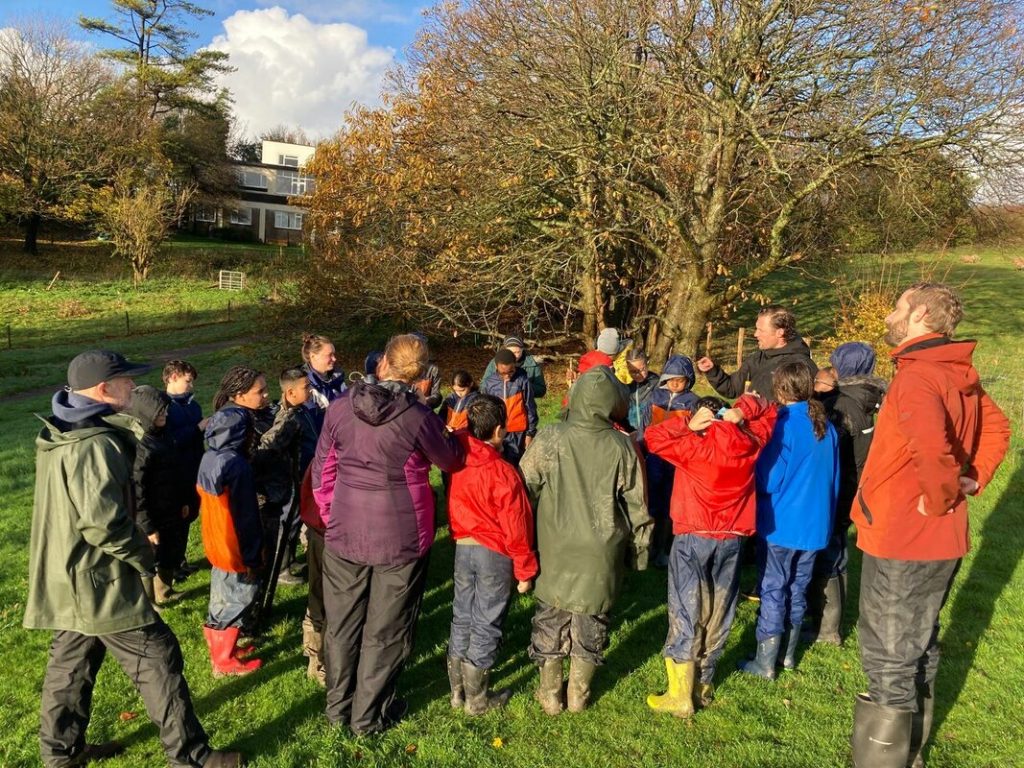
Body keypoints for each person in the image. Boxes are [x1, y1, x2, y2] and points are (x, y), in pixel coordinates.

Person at [24, 350, 241, 768]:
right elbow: (101, 523)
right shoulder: (92, 444)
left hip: (68, 573)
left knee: (69, 667)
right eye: (127, 381)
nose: (136, 388)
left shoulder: (64, 429)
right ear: (104, 389)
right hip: (98, 579)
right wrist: (144, 552)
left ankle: (60, 755)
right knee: (158, 658)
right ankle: (191, 756)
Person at [850, 283, 1010, 768]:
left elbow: (931, 446)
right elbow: (999, 427)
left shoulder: (920, 376)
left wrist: (942, 494)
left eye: (899, 306)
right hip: (936, 538)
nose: (891, 315)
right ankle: (910, 755)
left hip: (906, 535)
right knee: (918, 644)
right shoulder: (955, 369)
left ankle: (882, 762)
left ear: (920, 314)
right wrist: (974, 477)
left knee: (888, 653)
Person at [313, 334, 465, 735]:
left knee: (343, 623)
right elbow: (449, 460)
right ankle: (367, 716)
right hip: (400, 534)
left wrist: (333, 515)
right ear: (422, 374)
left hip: (347, 526)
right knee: (387, 629)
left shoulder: (341, 407)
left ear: (383, 364)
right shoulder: (419, 417)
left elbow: (321, 471)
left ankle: (339, 708)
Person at [520, 366, 651, 715]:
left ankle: (550, 694)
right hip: (601, 551)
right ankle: (578, 694)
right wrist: (639, 555)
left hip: (555, 547)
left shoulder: (550, 438)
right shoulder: (623, 446)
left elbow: (523, 490)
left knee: (550, 616)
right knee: (592, 620)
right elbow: (638, 506)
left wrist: (520, 544)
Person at [644, 393, 777, 716]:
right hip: (732, 537)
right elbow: (770, 410)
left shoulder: (693, 446)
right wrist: (742, 411)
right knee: (720, 608)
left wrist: (687, 425)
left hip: (694, 535)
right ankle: (704, 682)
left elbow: (652, 437)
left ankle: (680, 693)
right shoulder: (749, 442)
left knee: (685, 608)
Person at [740, 362, 838, 680]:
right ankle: (788, 656)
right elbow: (834, 480)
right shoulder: (826, 426)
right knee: (797, 589)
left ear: (781, 390)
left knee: (773, 589)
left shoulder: (783, 427)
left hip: (782, 523)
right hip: (815, 524)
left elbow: (769, 479)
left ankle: (765, 661)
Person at [446, 394, 538, 715]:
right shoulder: (503, 473)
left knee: (463, 615)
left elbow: (458, 431)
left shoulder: (459, 455)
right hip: (493, 553)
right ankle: (478, 699)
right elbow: (517, 527)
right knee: (486, 621)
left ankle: (457, 691)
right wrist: (525, 571)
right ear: (499, 431)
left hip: (463, 547)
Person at [804, 344, 886, 646]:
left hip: (837, 488)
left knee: (829, 555)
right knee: (836, 551)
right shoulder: (869, 399)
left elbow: (823, 448)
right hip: (854, 485)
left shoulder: (842, 406)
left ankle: (826, 628)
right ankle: (827, 623)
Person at [198, 367, 269, 676]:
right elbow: (245, 515)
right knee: (239, 596)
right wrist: (254, 556)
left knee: (221, 593)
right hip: (236, 546)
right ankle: (223, 660)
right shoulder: (236, 465)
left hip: (216, 542)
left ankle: (221, 646)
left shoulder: (212, 456)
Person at [254, 368, 316, 587]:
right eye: (305, 387)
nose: (310, 389)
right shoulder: (287, 416)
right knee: (286, 523)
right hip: (284, 481)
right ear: (290, 393)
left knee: (295, 521)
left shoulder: (302, 409)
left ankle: (288, 561)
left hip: (299, 476)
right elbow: (268, 446)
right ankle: (279, 569)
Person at [125, 384, 185, 606]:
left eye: (165, 411)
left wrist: (183, 501)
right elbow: (138, 487)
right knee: (148, 558)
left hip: (171, 506)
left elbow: (176, 470)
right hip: (151, 512)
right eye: (159, 412)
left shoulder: (165, 434)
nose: (164, 415)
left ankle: (165, 591)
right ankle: (147, 603)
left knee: (169, 551)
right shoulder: (142, 445)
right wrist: (147, 526)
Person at [642, 355, 701, 568]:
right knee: (650, 504)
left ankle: (665, 550)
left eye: (681, 379)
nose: (675, 383)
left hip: (676, 462)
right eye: (672, 378)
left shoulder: (692, 402)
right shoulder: (654, 397)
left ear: (689, 380)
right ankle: (647, 548)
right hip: (654, 458)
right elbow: (645, 426)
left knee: (670, 507)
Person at [697, 305, 817, 401]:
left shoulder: (801, 366)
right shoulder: (759, 357)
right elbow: (733, 388)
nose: (755, 334)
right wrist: (712, 371)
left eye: (761, 330)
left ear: (780, 332)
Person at [163, 359, 204, 582]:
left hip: (194, 471)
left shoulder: (193, 406)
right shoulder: (164, 408)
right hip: (175, 474)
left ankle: (180, 560)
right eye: (188, 381)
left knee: (190, 516)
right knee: (177, 519)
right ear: (172, 378)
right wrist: (197, 429)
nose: (191, 386)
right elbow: (171, 441)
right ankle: (171, 566)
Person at [481, 348, 538, 466]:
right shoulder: (488, 384)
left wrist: (530, 433)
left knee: (517, 466)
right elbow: (485, 411)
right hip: (497, 434)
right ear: (496, 367)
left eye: (511, 371)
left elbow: (530, 407)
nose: (507, 376)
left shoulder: (522, 381)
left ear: (515, 366)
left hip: (518, 434)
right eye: (503, 373)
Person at [301, 333, 347, 432]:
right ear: (313, 356)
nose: (334, 359)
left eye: (334, 354)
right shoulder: (304, 387)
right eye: (329, 355)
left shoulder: (337, 377)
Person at [482, 334, 548, 399]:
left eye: (518, 352)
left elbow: (541, 390)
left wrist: (523, 387)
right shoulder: (496, 362)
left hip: (523, 404)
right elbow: (483, 386)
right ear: (506, 350)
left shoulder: (533, 363)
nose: (516, 356)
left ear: (522, 349)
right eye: (513, 352)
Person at [625, 349, 659, 437]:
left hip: (651, 434)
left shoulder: (658, 384)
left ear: (647, 363)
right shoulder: (628, 386)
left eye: (642, 369)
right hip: (632, 433)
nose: (638, 374)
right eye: (633, 371)